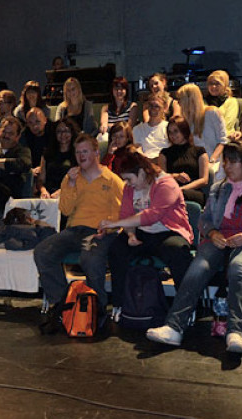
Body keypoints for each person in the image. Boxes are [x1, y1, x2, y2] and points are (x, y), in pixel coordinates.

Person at [146, 141, 242, 353]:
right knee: (198, 267)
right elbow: (204, 220)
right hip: (219, 240)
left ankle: (237, 331)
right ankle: (174, 327)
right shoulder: (219, 189)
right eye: (225, 162)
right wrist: (212, 233)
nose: (227, 166)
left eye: (232, 162)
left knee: (239, 267)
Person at [34, 133, 125, 333]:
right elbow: (65, 210)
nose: (81, 156)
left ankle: (97, 309)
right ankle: (63, 304)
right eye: (77, 152)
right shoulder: (71, 178)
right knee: (42, 252)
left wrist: (108, 228)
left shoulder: (112, 180)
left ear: (95, 153)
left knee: (90, 259)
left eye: (85, 151)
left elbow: (122, 212)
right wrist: (72, 185)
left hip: (101, 231)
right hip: (75, 230)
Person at [102, 147, 194, 322]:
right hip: (143, 232)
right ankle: (119, 304)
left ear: (143, 172)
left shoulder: (166, 183)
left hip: (168, 231)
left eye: (129, 179)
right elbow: (127, 214)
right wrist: (129, 235)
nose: (127, 184)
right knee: (116, 250)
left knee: (177, 251)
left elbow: (152, 215)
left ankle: (185, 308)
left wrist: (116, 224)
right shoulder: (129, 189)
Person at [157, 115, 210, 206]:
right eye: (170, 132)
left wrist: (183, 189)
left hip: (192, 191)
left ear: (184, 131)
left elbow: (204, 180)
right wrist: (175, 176)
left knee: (174, 196)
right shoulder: (164, 153)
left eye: (176, 131)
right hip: (171, 189)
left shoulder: (200, 151)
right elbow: (161, 178)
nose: (172, 135)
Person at [175, 83, 228, 171]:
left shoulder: (212, 112)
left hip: (215, 163)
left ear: (189, 100)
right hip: (196, 163)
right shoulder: (185, 121)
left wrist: (212, 161)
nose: (178, 103)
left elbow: (222, 141)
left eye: (180, 99)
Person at [38, 117, 79, 198]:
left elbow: (80, 180)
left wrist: (61, 191)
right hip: (49, 195)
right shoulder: (47, 153)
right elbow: (41, 180)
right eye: (59, 131)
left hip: (70, 194)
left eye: (66, 131)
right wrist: (43, 191)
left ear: (72, 133)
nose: (63, 134)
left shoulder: (77, 154)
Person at [131, 92, 170, 159]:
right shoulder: (137, 129)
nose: (153, 108)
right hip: (144, 164)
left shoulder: (169, 128)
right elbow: (137, 150)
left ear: (165, 108)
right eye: (150, 105)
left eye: (157, 106)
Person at [20, 106, 51, 186]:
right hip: (32, 172)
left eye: (37, 122)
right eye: (30, 123)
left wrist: (43, 168)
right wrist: (30, 170)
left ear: (45, 120)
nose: (34, 126)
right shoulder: (24, 136)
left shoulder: (53, 133)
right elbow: (21, 158)